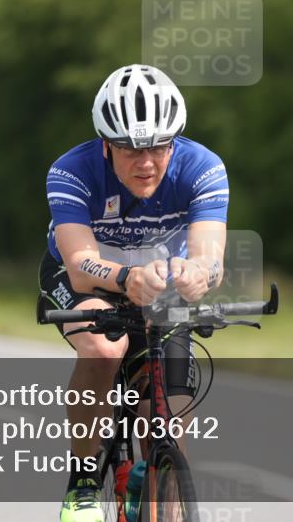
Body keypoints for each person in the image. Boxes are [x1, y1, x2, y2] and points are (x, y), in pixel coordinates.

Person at [38, 64, 228, 522]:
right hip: (83, 276)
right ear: (106, 144)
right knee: (105, 349)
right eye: (128, 149)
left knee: (167, 415)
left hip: (161, 285)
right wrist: (125, 278)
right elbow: (79, 263)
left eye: (158, 147)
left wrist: (199, 273)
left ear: (174, 141)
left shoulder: (202, 167)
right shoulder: (73, 171)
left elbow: (210, 256)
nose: (145, 163)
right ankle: (82, 482)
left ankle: (162, 495)